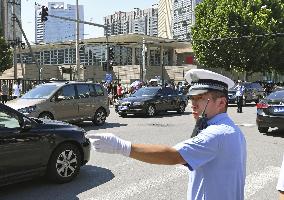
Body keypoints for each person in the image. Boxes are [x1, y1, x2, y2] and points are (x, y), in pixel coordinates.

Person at [87, 69, 247, 200]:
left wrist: (121, 147)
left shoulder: (215, 134)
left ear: (221, 103)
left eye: (201, 98)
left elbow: (173, 156)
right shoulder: (231, 129)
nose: (193, 104)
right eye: (192, 98)